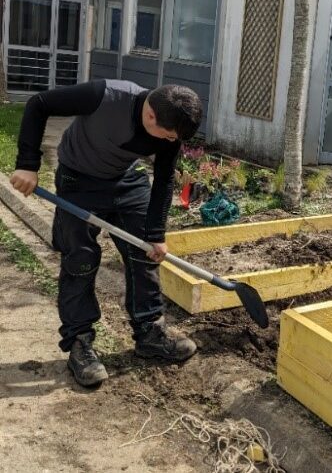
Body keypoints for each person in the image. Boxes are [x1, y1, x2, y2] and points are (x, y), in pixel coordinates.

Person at [10, 79, 203, 387]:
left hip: (125, 181)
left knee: (145, 254)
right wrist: (27, 164)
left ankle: (150, 333)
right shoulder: (105, 96)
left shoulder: (170, 130)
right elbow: (39, 104)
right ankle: (80, 343)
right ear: (151, 115)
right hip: (79, 180)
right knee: (81, 260)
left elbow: (165, 178)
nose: (169, 142)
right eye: (167, 136)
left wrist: (155, 233)